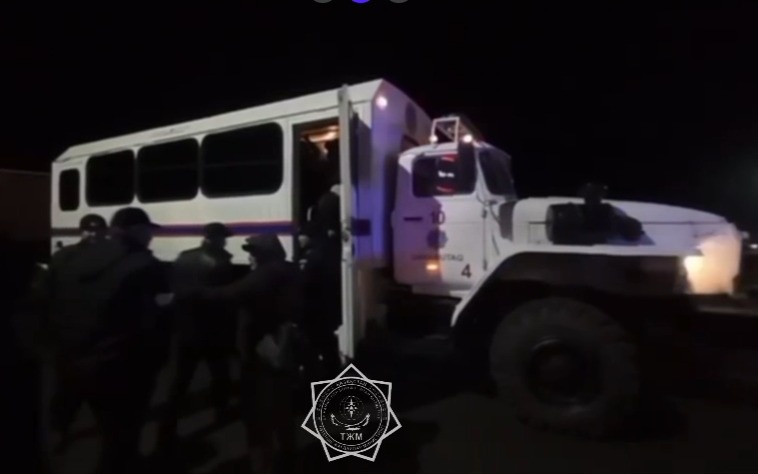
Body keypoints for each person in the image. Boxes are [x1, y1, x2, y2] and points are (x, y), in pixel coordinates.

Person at [43, 207, 169, 474]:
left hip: (71, 357)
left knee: (68, 405)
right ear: (136, 230)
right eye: (149, 230)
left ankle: (57, 436)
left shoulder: (68, 257)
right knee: (121, 435)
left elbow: (49, 300)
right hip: (117, 366)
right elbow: (157, 320)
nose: (151, 236)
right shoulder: (145, 265)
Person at [197, 234, 303, 474]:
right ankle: (289, 457)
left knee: (258, 417)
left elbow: (229, 294)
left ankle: (263, 465)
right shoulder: (289, 269)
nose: (250, 257)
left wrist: (193, 292)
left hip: (262, 352)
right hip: (284, 348)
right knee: (282, 408)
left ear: (266, 253)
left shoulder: (266, 273)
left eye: (254, 252)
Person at [156, 222, 235, 453]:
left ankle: (166, 430)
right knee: (220, 375)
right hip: (212, 330)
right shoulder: (221, 262)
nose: (225, 241)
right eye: (222, 238)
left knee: (179, 383)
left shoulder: (184, 256)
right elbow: (225, 297)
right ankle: (221, 412)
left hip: (186, 329)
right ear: (213, 239)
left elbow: (175, 288)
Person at [47, 213, 108, 452]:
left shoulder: (111, 256)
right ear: (81, 231)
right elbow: (49, 292)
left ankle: (109, 436)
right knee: (67, 389)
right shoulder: (64, 256)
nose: (93, 234)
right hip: (71, 334)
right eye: (88, 229)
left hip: (98, 334)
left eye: (97, 230)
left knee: (101, 389)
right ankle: (60, 431)